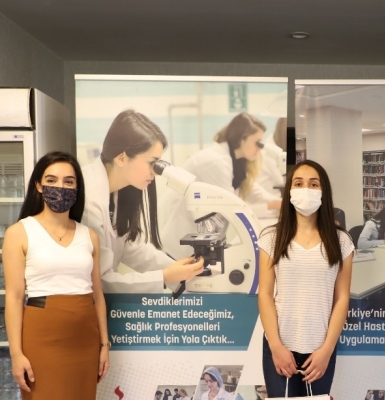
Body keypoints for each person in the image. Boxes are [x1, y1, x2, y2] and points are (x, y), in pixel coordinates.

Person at [3, 152, 110, 399]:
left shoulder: (89, 235)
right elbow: (14, 297)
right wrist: (16, 354)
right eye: (51, 180)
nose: (60, 187)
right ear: (39, 185)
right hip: (41, 335)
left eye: (68, 182)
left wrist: (104, 345)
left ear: (77, 188)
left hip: (85, 338)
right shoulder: (19, 232)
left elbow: (98, 295)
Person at [258, 160, 354, 397]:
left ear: (323, 191)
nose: (306, 190)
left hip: (320, 351)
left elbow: (342, 298)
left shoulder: (341, 241)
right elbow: (265, 294)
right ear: (290, 191)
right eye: (298, 184)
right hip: (280, 348)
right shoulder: (271, 237)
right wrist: (276, 346)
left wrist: (327, 350)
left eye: (313, 184)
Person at [82, 110, 204, 293]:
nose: (155, 171)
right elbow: (101, 281)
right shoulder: (89, 200)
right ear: (121, 158)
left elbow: (131, 247)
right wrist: (164, 276)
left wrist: (182, 271)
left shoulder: (119, 190)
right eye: (151, 163)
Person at [160, 112, 282, 260]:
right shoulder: (217, 162)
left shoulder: (235, 162)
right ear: (242, 139)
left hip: (200, 234)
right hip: (183, 234)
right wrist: (270, 206)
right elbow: (231, 207)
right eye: (257, 142)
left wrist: (280, 203)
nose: (259, 148)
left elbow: (253, 190)